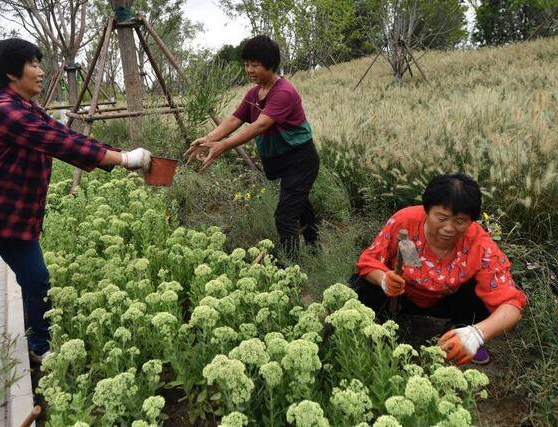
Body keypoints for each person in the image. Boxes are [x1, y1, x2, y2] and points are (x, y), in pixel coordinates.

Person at [0, 38, 151, 390]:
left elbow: (61, 135)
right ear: (11, 73)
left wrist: (115, 154)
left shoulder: (29, 109)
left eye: (40, 63)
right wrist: (125, 159)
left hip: (11, 222)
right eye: (34, 64)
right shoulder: (3, 110)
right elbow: (61, 144)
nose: (41, 70)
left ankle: (40, 347)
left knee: (37, 281)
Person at [352, 173, 527, 365]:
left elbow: (512, 305)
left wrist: (477, 334)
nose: (449, 228)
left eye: (460, 221)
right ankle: (374, 324)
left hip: (445, 299)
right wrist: (384, 279)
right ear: (427, 210)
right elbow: (368, 261)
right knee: (364, 287)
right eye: (441, 218)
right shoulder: (406, 222)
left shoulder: (480, 244)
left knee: (482, 294)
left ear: (471, 220)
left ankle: (460, 331)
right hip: (400, 293)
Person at [185, 35, 319, 258]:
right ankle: (315, 251)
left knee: (285, 215)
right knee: (300, 204)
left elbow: (259, 126)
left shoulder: (283, 92)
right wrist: (209, 139)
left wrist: (223, 146)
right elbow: (234, 120)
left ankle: (292, 267)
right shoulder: (255, 93)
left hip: (300, 160)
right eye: (246, 64)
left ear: (271, 64)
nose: (249, 70)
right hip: (284, 162)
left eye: (255, 65)